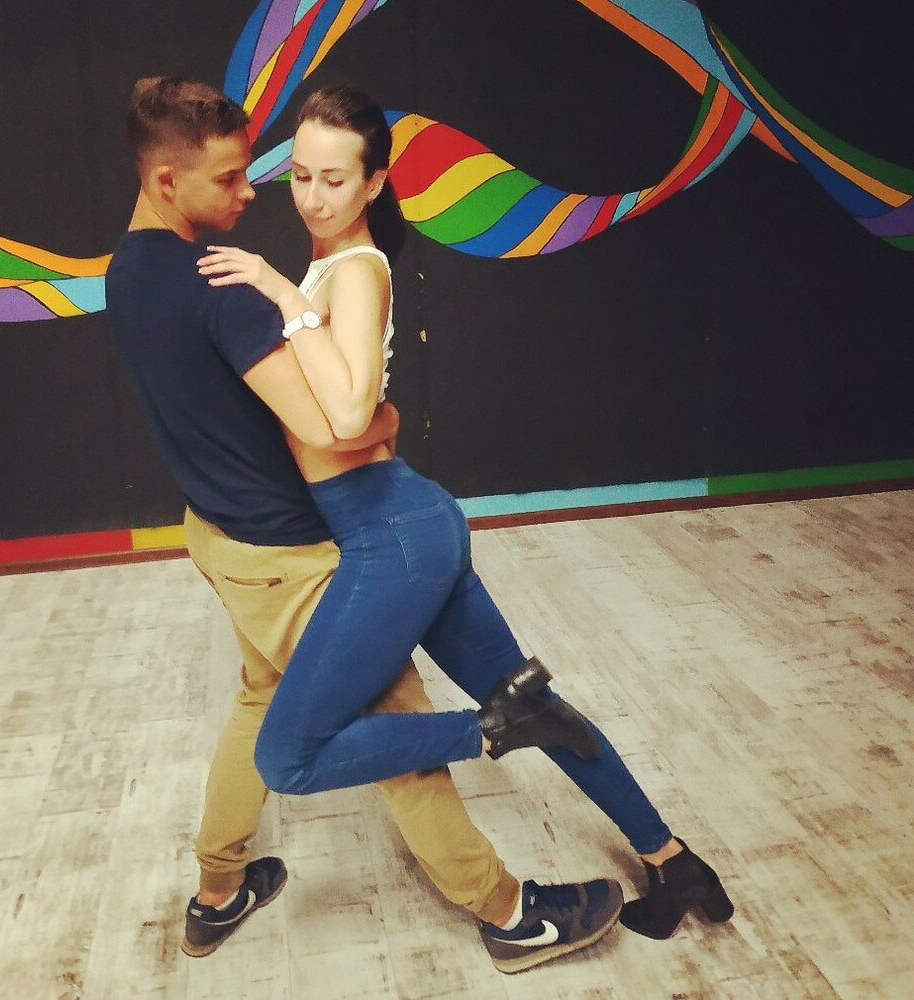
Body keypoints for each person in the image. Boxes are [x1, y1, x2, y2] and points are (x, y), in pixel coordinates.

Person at [105, 75, 625, 975]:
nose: (251, 192)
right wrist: (385, 416)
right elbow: (332, 426)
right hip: (285, 551)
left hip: (216, 537)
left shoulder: (125, 271)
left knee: (262, 699)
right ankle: (510, 915)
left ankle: (219, 890)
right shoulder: (222, 291)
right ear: (165, 182)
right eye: (228, 178)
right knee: (398, 726)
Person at [199, 84, 735, 946]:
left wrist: (276, 293)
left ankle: (498, 735)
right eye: (300, 176)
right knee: (537, 703)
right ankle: (673, 861)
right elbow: (360, 415)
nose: (313, 197)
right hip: (411, 520)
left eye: (335, 180)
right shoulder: (331, 269)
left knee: (293, 753)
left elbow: (344, 413)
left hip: (390, 539)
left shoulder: (356, 270)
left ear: (374, 183)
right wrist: (372, 413)